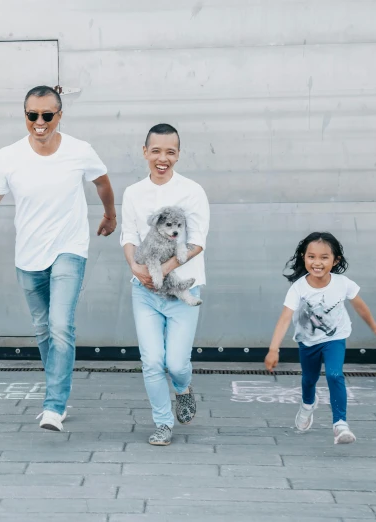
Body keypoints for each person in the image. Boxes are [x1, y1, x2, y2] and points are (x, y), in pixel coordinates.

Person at [0, 86, 117, 432]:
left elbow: (102, 182)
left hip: (69, 248)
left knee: (60, 325)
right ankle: (56, 391)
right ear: (24, 115)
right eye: (32, 115)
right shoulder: (10, 156)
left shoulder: (79, 151)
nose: (39, 123)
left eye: (47, 115)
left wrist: (109, 214)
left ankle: (54, 405)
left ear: (60, 115)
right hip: (28, 255)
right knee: (43, 330)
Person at [119, 124, 210, 446]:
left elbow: (197, 240)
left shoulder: (192, 191)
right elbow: (129, 235)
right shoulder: (133, 193)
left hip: (183, 290)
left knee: (176, 363)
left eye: (170, 152)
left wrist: (165, 269)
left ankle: (183, 390)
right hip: (143, 291)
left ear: (178, 155)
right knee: (152, 361)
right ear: (145, 152)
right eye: (156, 151)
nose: (163, 158)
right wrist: (136, 267)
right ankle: (162, 423)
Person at [264, 232, 376, 444]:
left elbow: (359, 305)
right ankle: (307, 404)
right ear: (304, 257)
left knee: (334, 375)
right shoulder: (299, 288)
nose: (317, 262)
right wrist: (274, 349)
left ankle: (340, 424)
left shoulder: (342, 283)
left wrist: (374, 326)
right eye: (311, 257)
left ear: (335, 260)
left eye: (324, 257)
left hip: (334, 338)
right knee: (309, 379)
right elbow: (285, 318)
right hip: (307, 341)